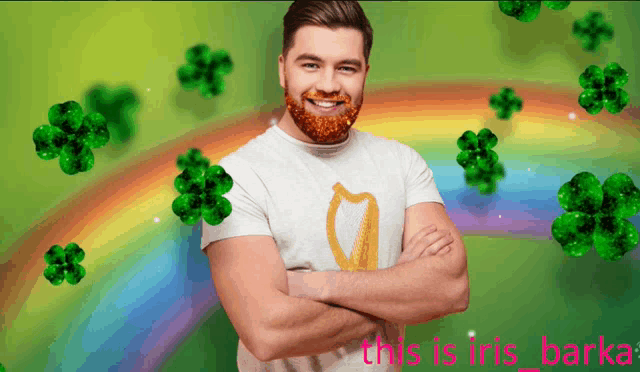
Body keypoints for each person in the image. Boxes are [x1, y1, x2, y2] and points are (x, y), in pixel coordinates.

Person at [201, 1, 470, 371]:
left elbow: (451, 289)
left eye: (346, 68)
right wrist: (398, 292)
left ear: (365, 73)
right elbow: (267, 332)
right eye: (310, 64)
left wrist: (316, 286)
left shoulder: (403, 163)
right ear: (283, 69)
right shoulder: (234, 180)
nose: (328, 85)